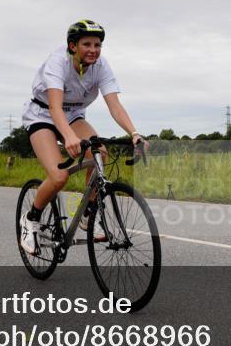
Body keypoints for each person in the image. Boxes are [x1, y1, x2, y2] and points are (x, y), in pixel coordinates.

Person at [19, 20, 145, 255]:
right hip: (42, 115)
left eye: (98, 45)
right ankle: (31, 219)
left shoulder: (101, 66)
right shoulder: (58, 63)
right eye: (87, 44)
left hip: (75, 115)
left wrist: (134, 133)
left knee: (100, 153)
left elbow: (115, 106)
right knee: (58, 177)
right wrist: (68, 137)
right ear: (72, 46)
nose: (93, 50)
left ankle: (88, 213)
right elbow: (55, 108)